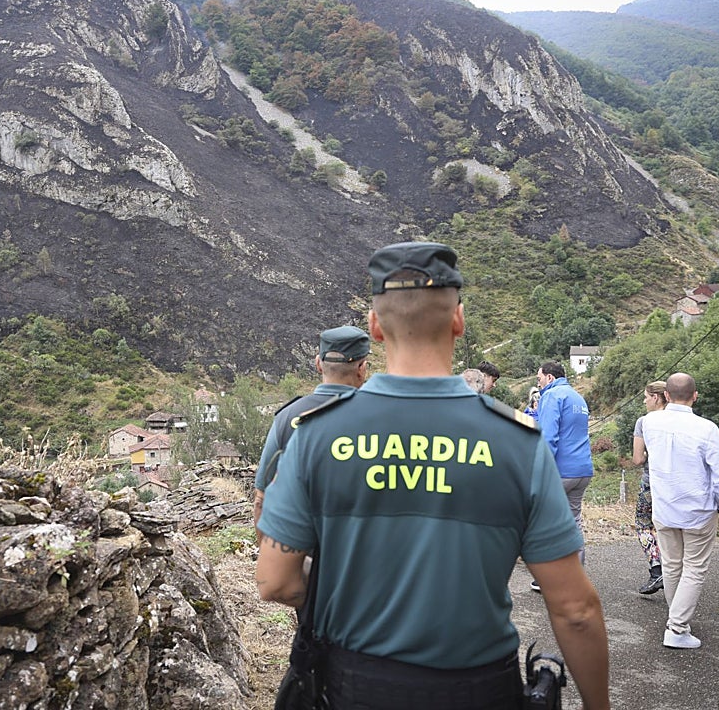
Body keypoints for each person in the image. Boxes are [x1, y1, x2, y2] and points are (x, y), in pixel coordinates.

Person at [256, 241, 610, 710]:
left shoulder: (315, 436)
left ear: (375, 328)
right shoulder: (517, 443)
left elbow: (275, 582)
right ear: (458, 320)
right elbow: (576, 610)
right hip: (479, 689)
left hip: (353, 687)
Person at [642, 372, 719, 649]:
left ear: (666, 395)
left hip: (664, 507)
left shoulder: (649, 422)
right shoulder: (706, 429)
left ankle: (677, 619)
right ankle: (677, 627)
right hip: (697, 510)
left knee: (672, 566)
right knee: (694, 568)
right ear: (695, 396)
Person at [252, 325, 370, 528]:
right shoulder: (377, 417)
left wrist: (270, 556)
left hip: (302, 551)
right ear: (362, 368)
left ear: (318, 364)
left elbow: (261, 500)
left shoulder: (287, 418)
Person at [532, 360, 593, 588]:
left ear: (550, 377)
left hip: (561, 470)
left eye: (539, 379)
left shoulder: (552, 396)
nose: (538, 384)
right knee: (573, 522)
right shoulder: (578, 398)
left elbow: (548, 437)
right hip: (582, 469)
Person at [630, 381, 669, 595]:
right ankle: (674, 571)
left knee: (644, 525)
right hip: (675, 483)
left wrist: (647, 455)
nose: (644, 400)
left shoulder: (644, 422)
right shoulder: (680, 420)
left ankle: (656, 569)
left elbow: (637, 459)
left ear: (656, 397)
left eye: (646, 396)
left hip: (651, 481)